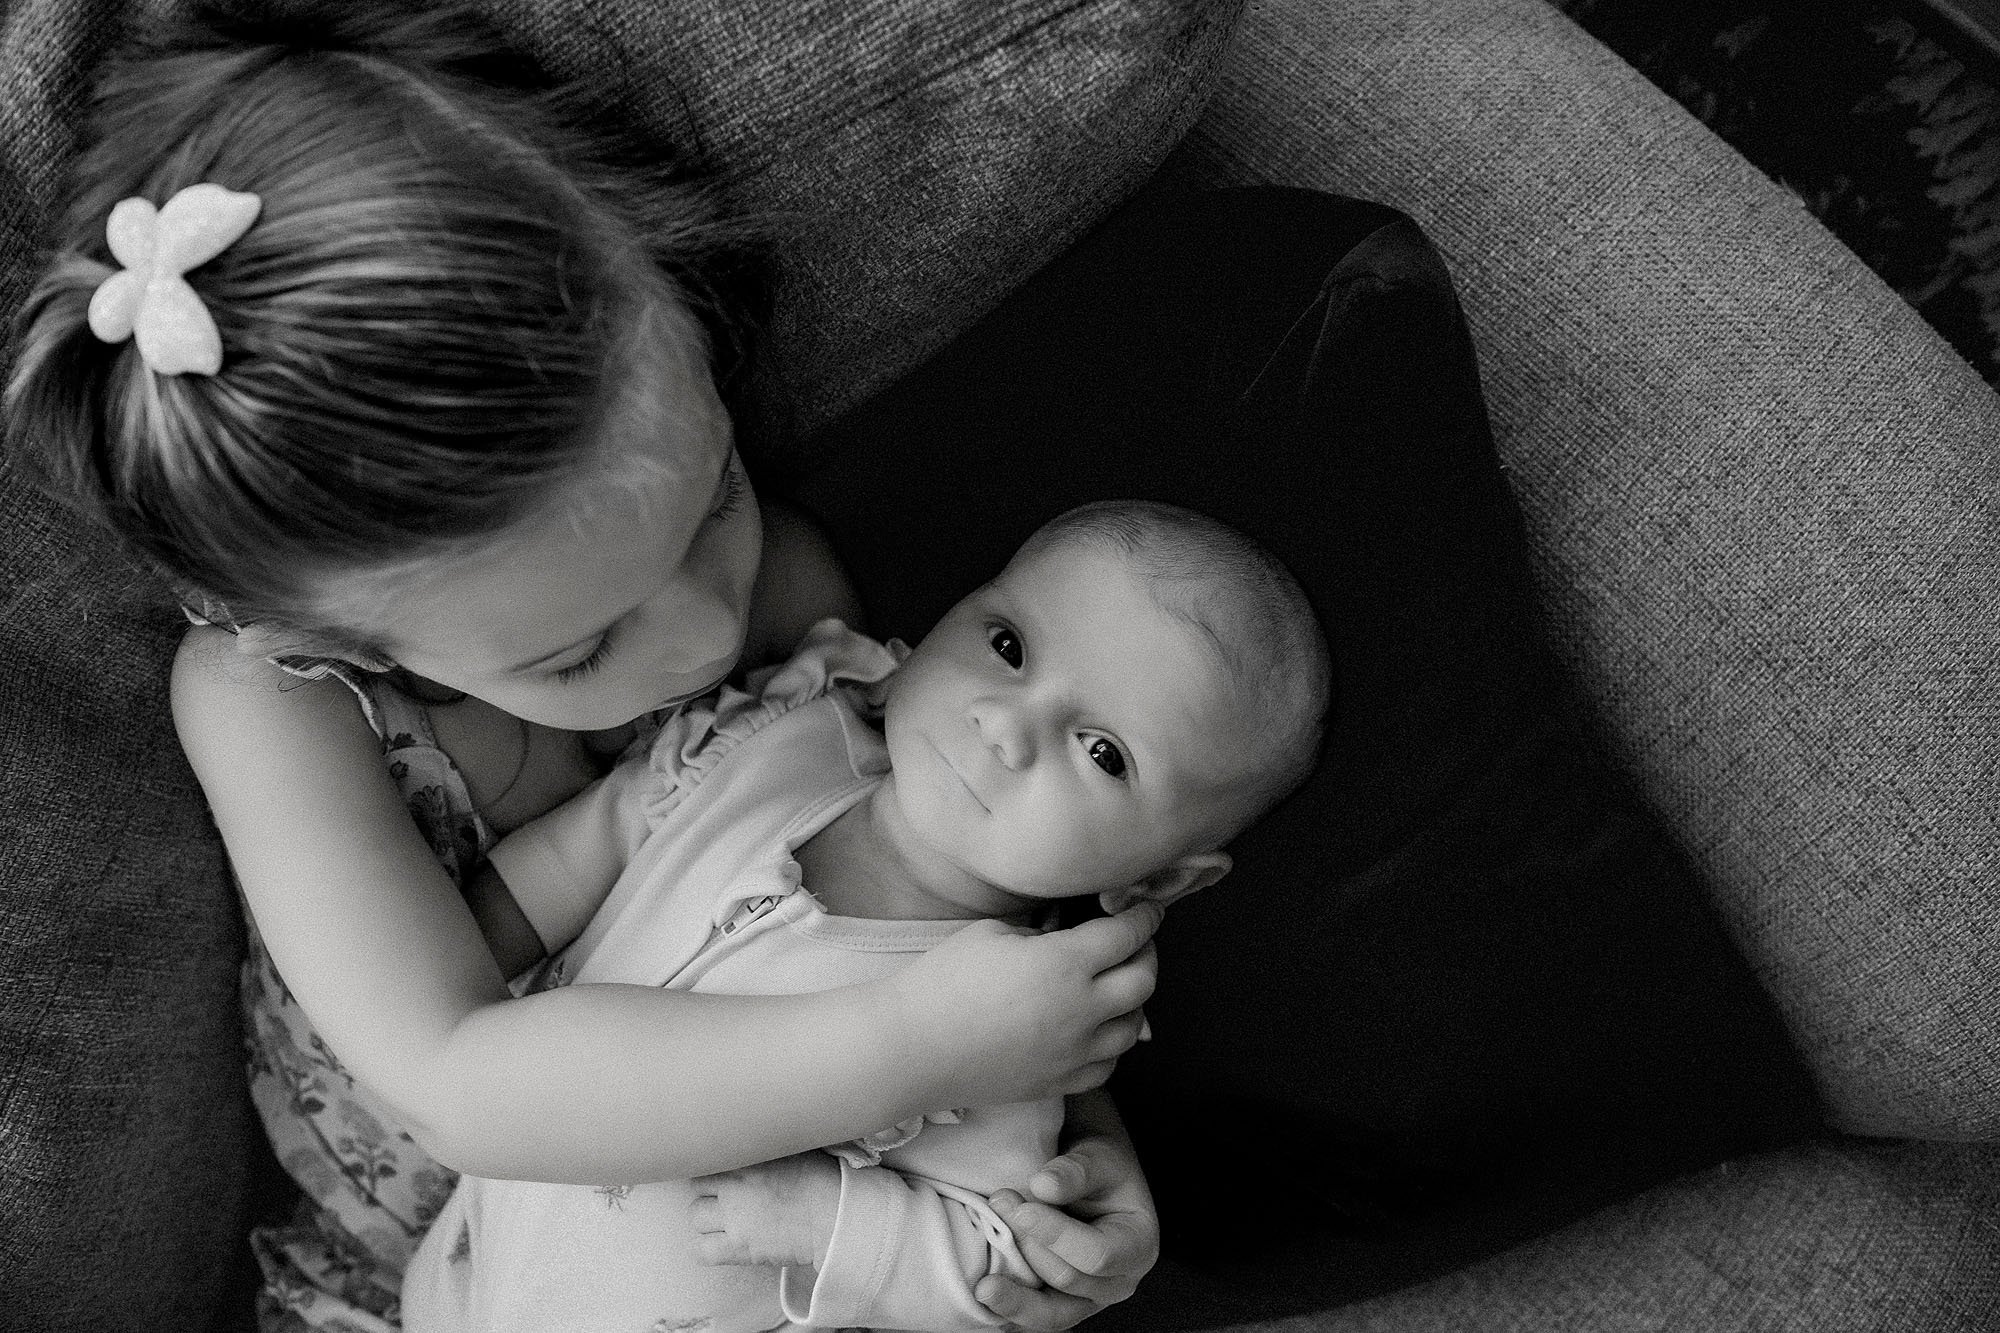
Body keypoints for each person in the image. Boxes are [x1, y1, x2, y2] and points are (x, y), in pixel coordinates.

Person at [2, 6, 1164, 1329]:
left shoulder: (780, 586)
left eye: (714, 499)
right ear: (327, 637)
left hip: (785, 1214)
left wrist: (1053, 1135)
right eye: (583, 650)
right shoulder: (274, 706)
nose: (709, 634)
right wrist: (915, 1048)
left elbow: (936, 870)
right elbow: (461, 1079)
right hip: (435, 1263)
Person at [398, 500, 1333, 1332]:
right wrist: (456, 968)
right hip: (470, 1257)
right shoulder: (771, 736)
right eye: (1008, 647)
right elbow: (578, 853)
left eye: (1101, 752)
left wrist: (833, 1223)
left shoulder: (1010, 1023)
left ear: (1161, 877)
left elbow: (1002, 1259)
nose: (1005, 724)